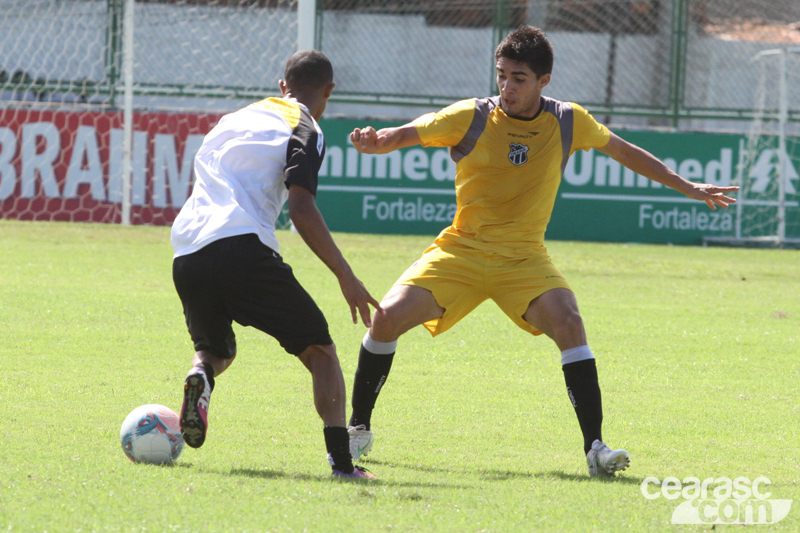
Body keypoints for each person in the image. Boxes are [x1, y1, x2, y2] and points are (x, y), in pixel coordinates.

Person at [345, 26, 739, 476]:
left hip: (524, 259)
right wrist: (377, 142)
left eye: (519, 78)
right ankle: (358, 428)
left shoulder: (569, 120)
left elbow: (625, 152)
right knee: (386, 318)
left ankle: (596, 450)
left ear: (543, 81)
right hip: (462, 252)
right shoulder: (471, 116)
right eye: (502, 75)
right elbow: (407, 133)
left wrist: (686, 186)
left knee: (570, 324)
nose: (507, 87)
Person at [170, 50, 381, 479]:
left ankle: (200, 377)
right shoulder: (305, 125)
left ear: (282, 85)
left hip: (186, 250)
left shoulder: (231, 120)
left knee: (215, 349)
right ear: (328, 91)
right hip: (241, 245)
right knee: (321, 352)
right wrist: (347, 276)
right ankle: (343, 465)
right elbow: (301, 208)